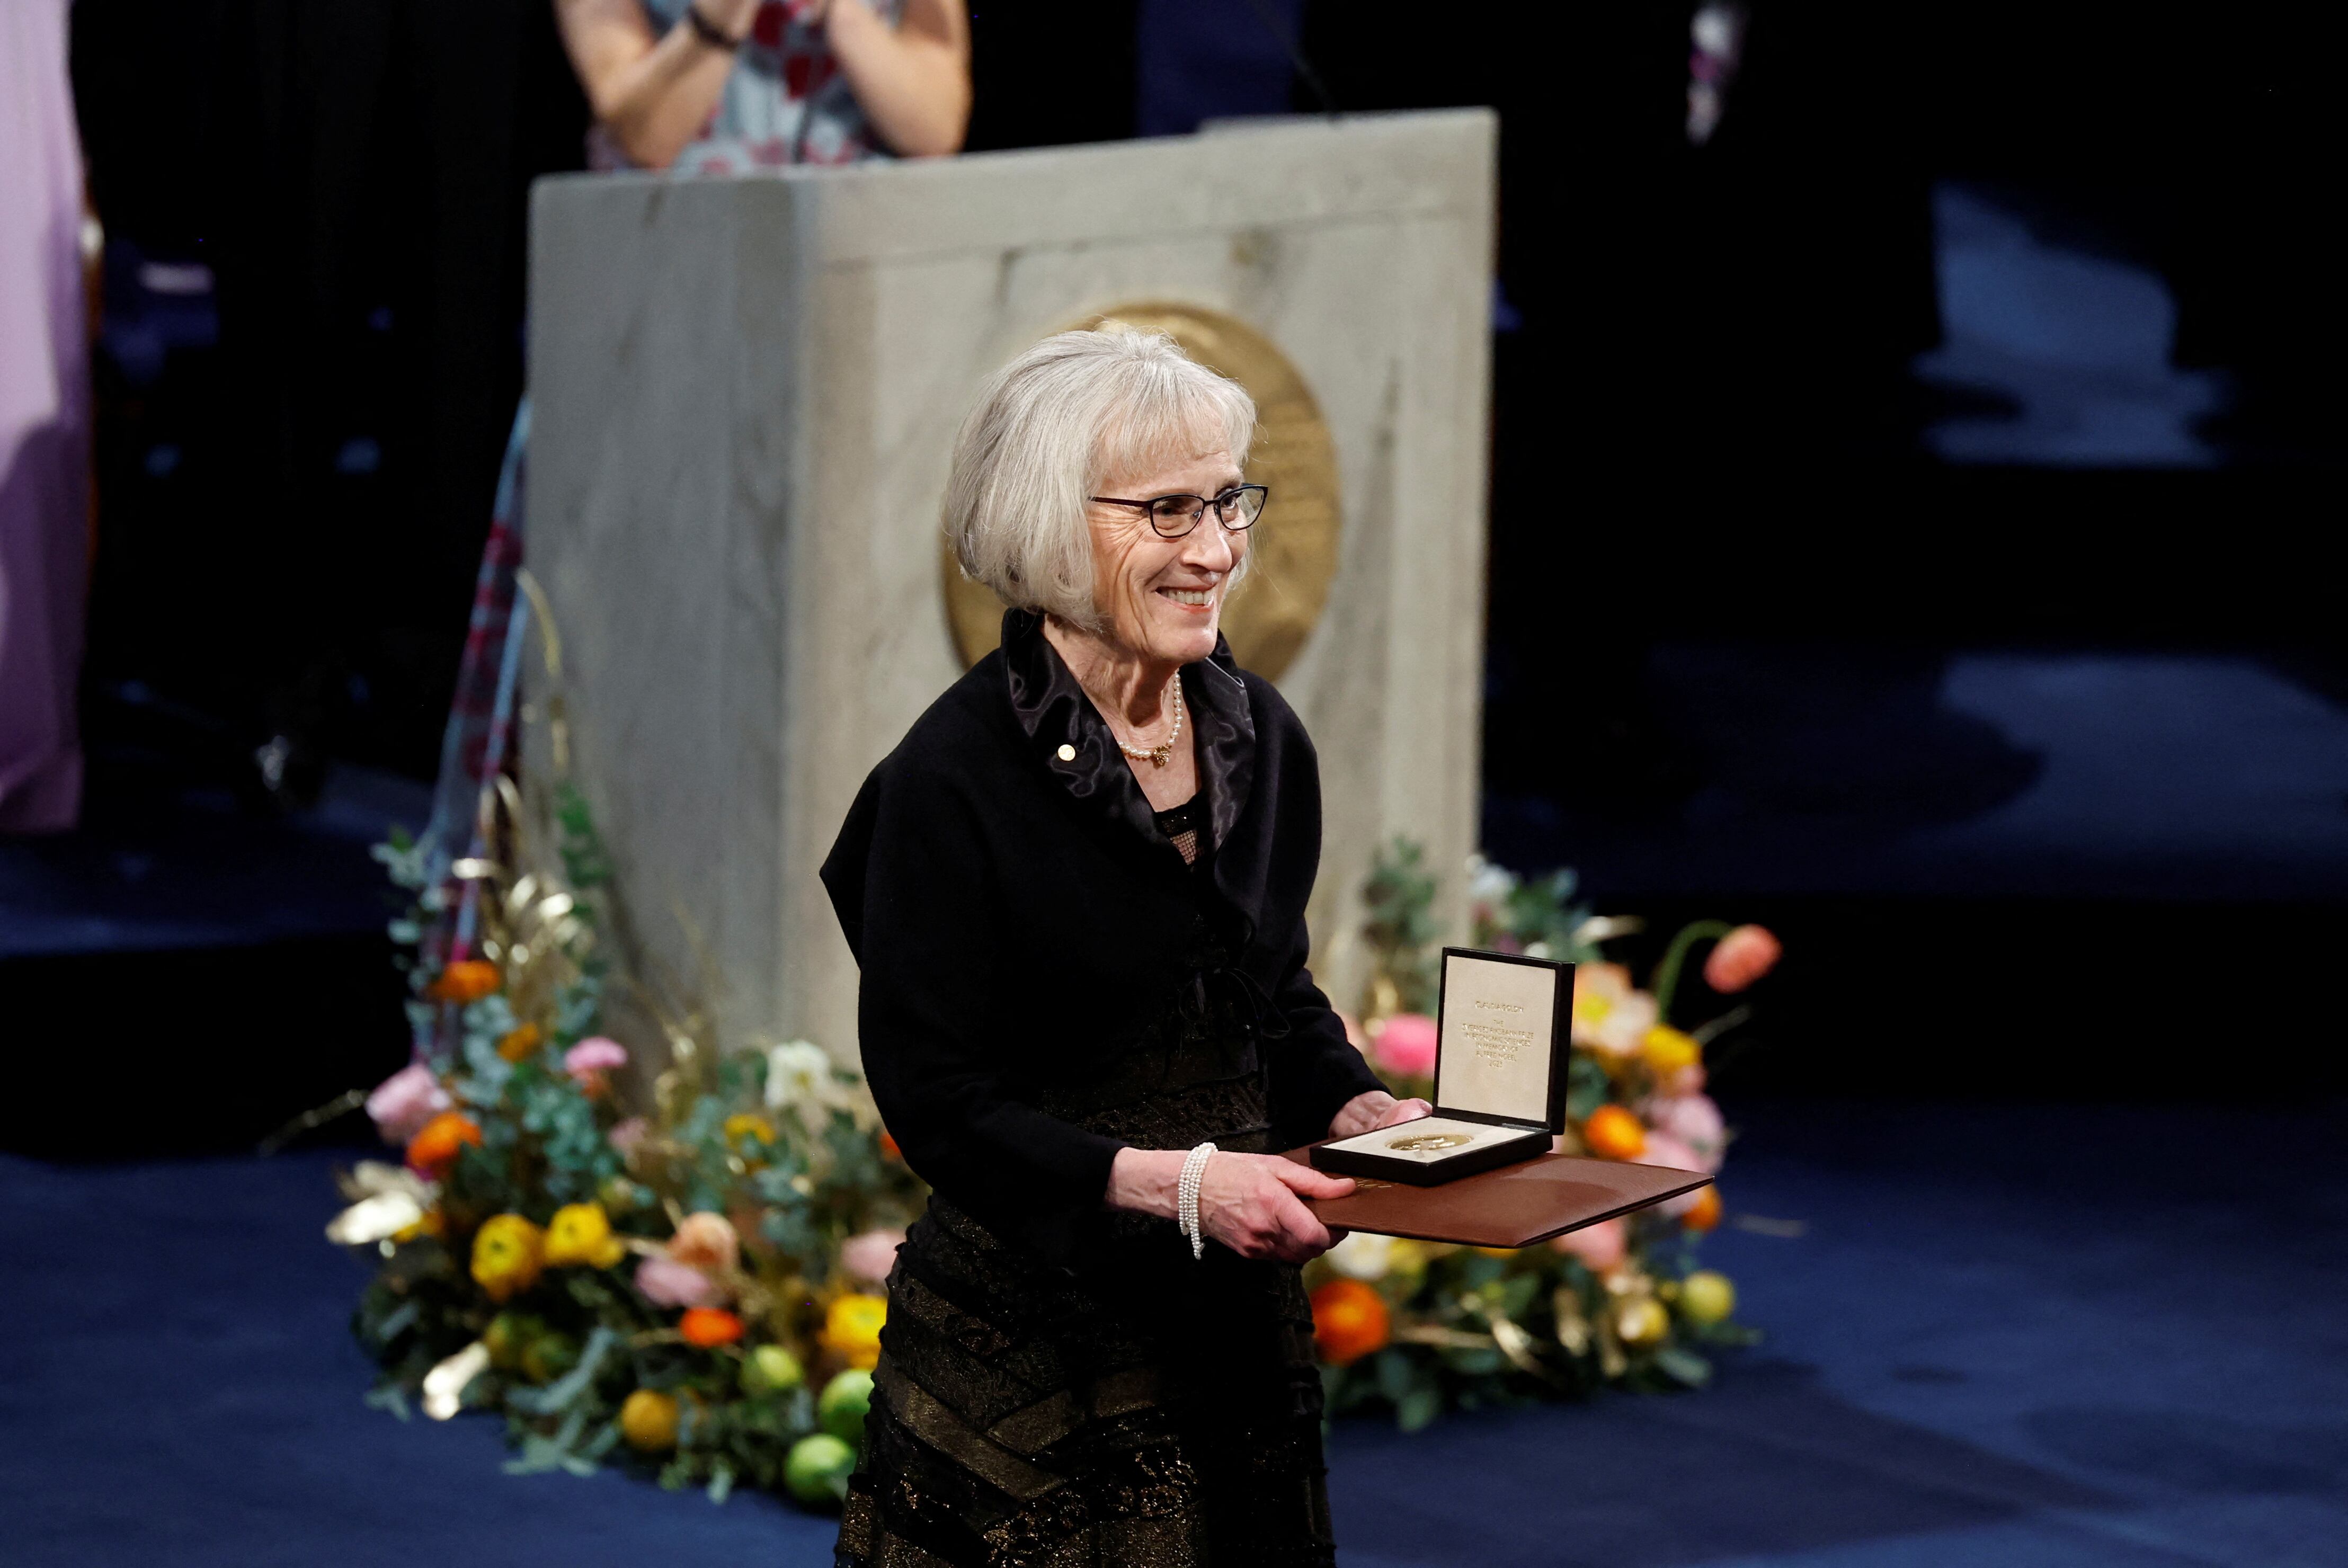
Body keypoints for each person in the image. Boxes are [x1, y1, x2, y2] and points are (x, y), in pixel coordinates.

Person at [820, 329, 1433, 1565]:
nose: (1215, 550)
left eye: (1226, 502)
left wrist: (1361, 1104)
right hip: (1033, 1350)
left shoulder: (1260, 732)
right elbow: (941, 1103)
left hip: (1227, 1329)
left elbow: (1265, 987)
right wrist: (1186, 1184)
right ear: (1052, 521)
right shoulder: (948, 779)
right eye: (1167, 511)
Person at [554, 0, 970, 171]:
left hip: (854, 248)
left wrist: (849, 18)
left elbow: (934, 129)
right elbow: (644, 140)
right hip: (671, 253)